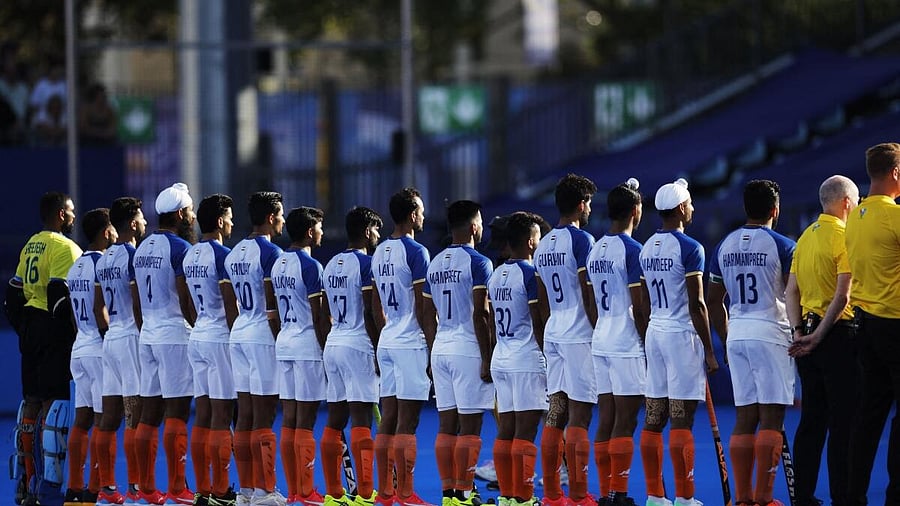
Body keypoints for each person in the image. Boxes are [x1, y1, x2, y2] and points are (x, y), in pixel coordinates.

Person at [708, 180, 796, 506]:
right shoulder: (784, 245)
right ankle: (764, 498)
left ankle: (743, 499)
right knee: (772, 418)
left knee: (745, 417)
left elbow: (714, 298)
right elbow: (793, 295)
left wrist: (727, 335)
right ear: (775, 209)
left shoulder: (724, 246)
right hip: (771, 332)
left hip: (738, 334)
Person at [638, 178, 718, 506]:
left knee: (654, 417)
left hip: (655, 333)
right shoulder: (690, 248)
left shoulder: (646, 248)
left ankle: (656, 496)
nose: (694, 209)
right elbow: (698, 303)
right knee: (682, 418)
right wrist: (710, 351)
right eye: (691, 204)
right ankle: (685, 499)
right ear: (682, 208)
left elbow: (641, 303)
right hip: (680, 336)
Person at [785, 175, 860, 506]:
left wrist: (800, 332)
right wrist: (819, 335)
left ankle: (803, 496)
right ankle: (842, 497)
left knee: (811, 420)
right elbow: (843, 296)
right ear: (846, 202)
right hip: (837, 336)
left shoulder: (804, 238)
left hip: (807, 337)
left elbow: (791, 291)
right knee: (843, 422)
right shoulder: (846, 237)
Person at [5, 191, 81, 504]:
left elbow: (13, 293)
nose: (75, 216)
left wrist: (23, 327)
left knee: (31, 402)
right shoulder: (65, 247)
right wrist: (71, 333)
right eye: (71, 211)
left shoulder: (31, 245)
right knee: (56, 404)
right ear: (61, 214)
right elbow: (60, 294)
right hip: (53, 329)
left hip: (31, 326)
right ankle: (50, 485)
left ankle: (26, 477)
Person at [422, 200, 494, 506]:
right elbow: (481, 314)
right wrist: (488, 357)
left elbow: (426, 313)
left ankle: (449, 494)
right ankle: (465, 493)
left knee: (446, 424)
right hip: (467, 348)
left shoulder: (435, 263)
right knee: (471, 424)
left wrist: (430, 351)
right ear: (474, 226)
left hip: (441, 347)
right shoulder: (479, 262)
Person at [532, 173, 597, 506]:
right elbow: (589, 292)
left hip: (554, 332)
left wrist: (548, 333)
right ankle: (579, 494)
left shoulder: (542, 244)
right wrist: (598, 330)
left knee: (556, 412)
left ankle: (553, 496)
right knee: (580, 415)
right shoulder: (582, 241)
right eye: (589, 203)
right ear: (582, 204)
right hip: (579, 334)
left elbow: (541, 298)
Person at [133, 182, 198, 505]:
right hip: (173, 333)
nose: (194, 216)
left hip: (148, 333)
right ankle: (176, 487)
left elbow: (135, 300)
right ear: (180, 214)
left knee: (150, 412)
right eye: (191, 210)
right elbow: (186, 301)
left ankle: (146, 486)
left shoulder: (142, 248)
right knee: (177, 412)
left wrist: (146, 329)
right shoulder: (180, 249)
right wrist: (200, 328)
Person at [845, 142, 900, 505]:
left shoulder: (855, 218)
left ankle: (853, 496)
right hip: (895, 324)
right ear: (895, 173)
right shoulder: (895, 218)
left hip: (864, 327)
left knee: (869, 415)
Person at [371, 187, 433, 506]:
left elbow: (374, 305)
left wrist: (389, 332)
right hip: (410, 342)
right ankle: (407, 494)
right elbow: (423, 307)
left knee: (389, 419)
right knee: (408, 422)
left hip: (389, 339)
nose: (424, 216)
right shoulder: (417, 252)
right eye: (421, 211)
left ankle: (385, 493)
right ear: (412, 215)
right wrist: (431, 346)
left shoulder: (379, 251)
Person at [586, 179, 647, 506]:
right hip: (625, 342)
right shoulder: (634, 250)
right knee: (626, 419)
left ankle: (607, 492)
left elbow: (592, 303)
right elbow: (639, 306)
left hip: (602, 338)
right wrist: (646, 340)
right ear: (636, 211)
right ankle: (618, 492)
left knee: (606, 418)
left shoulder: (595, 249)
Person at [224, 191, 286, 506]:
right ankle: (266, 490)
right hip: (262, 333)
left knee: (245, 416)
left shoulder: (233, 253)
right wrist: (280, 339)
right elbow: (272, 300)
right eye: (281, 215)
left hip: (240, 332)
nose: (283, 221)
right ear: (270, 217)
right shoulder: (272, 253)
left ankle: (246, 491)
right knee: (264, 415)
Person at [321, 207, 384, 506]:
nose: (378, 236)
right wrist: (379, 348)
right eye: (376, 231)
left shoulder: (331, 264)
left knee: (334, 421)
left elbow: (323, 313)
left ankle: (334, 494)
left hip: (334, 343)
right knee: (361, 420)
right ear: (366, 231)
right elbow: (372, 312)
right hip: (358, 344)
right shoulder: (367, 264)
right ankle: (365, 493)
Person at [488, 211, 549, 506]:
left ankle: (508, 496)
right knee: (526, 431)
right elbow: (539, 320)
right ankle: (524, 498)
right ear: (529, 241)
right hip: (526, 358)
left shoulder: (496, 273)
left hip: (502, 355)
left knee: (506, 430)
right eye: (538, 236)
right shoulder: (530, 273)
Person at [271, 207, 329, 506]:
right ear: (309, 232)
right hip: (307, 345)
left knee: (290, 420)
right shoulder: (311, 267)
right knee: (305, 422)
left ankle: (295, 490)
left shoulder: (278, 263)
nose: (322, 233)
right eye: (320, 228)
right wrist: (326, 353)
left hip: (285, 342)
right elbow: (319, 317)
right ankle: (306, 492)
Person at [184, 194, 239, 506]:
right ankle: (220, 490)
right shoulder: (223, 256)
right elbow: (230, 305)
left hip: (199, 334)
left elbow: (189, 303)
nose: (232, 222)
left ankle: (203, 489)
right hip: (219, 336)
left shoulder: (190, 256)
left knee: (202, 415)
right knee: (221, 414)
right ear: (219, 221)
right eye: (229, 217)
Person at [94, 197, 147, 504]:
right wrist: (142, 332)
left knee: (109, 415)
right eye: (141, 218)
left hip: (111, 336)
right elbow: (137, 300)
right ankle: (138, 488)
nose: (144, 223)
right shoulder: (132, 255)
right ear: (131, 223)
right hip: (129, 337)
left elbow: (97, 305)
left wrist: (110, 330)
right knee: (135, 415)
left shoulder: (103, 259)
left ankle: (107, 488)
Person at [64, 208, 117, 504]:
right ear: (106, 232)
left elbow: (75, 313)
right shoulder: (104, 264)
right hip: (98, 348)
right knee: (104, 419)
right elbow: (103, 309)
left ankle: (74, 489)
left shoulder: (76, 268)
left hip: (80, 347)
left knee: (81, 419)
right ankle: (97, 488)